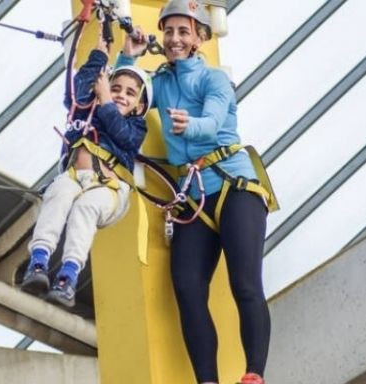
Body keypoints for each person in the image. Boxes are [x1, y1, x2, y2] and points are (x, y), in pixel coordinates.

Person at [115, 1, 277, 383]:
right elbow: (121, 93)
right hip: (193, 198)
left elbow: (214, 120)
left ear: (200, 38)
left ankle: (253, 374)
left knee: (245, 284)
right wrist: (127, 55)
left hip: (236, 186)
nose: (174, 39)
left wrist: (193, 126)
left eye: (183, 32)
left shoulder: (215, 79)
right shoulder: (162, 82)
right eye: (169, 31)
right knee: (187, 288)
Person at [20, 36, 150, 308]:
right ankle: (39, 261)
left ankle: (68, 275)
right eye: (116, 88)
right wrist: (98, 58)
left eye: (129, 93)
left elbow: (122, 135)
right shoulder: (87, 110)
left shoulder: (136, 126)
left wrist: (106, 100)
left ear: (138, 106)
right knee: (59, 193)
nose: (120, 95)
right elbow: (78, 92)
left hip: (109, 190)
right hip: (74, 179)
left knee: (85, 208)